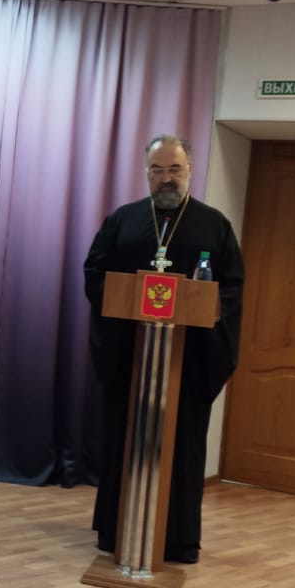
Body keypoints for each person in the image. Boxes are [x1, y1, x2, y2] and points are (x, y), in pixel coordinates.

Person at [84, 134, 244, 564]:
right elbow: (95, 273)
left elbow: (231, 289)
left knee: (182, 447)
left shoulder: (214, 225)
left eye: (175, 169)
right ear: (147, 173)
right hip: (132, 358)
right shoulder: (123, 220)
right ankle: (115, 531)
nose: (166, 178)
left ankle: (177, 540)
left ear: (190, 170)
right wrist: (122, 301)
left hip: (184, 364)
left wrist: (204, 310)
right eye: (158, 169)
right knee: (123, 442)